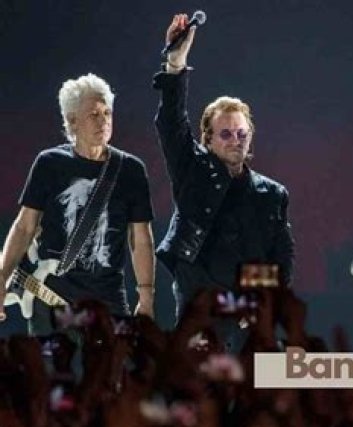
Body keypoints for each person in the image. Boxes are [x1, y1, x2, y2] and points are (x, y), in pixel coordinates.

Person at [152, 15, 295, 342]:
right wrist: (176, 64)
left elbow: (281, 259)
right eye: (226, 134)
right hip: (200, 312)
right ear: (208, 139)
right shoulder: (193, 171)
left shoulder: (272, 194)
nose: (236, 140)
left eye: (242, 133)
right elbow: (172, 124)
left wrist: (255, 305)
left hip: (248, 320)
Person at [0, 73, 155, 334]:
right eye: (94, 114)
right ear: (72, 121)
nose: (103, 121)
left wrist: (147, 296)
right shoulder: (49, 163)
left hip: (108, 304)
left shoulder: (131, 170)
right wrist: (2, 277)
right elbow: (25, 227)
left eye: (107, 113)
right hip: (50, 301)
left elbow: (141, 239)